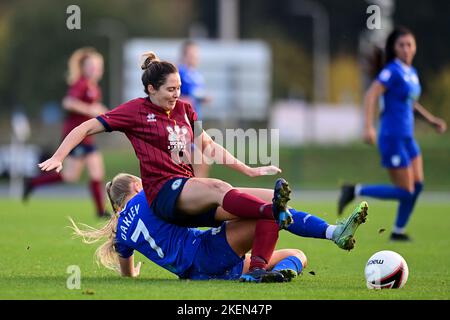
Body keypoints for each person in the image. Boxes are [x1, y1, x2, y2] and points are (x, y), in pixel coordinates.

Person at [38, 51, 365, 281]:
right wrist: (59, 156)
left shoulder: (184, 110)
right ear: (151, 89)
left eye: (179, 88)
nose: (176, 95)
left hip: (188, 195)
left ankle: (333, 232)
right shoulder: (134, 112)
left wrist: (248, 168)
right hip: (165, 194)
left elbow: (207, 146)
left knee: (265, 200)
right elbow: (84, 127)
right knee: (220, 189)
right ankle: (267, 235)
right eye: (170, 89)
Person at [69, 173, 369, 282]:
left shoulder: (121, 231)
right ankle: (329, 233)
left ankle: (268, 270)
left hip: (198, 273)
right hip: (205, 251)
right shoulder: (151, 195)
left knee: (297, 255)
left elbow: (126, 268)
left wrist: (132, 274)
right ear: (137, 184)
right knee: (270, 214)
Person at [338, 27, 447, 241]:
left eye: (409, 44)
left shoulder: (411, 73)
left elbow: (411, 103)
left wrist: (432, 120)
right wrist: (368, 126)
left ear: (415, 47)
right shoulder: (392, 70)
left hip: (407, 138)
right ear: (394, 49)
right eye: (401, 45)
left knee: (418, 186)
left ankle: (398, 231)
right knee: (405, 190)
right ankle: (354, 190)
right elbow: (371, 95)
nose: (406, 49)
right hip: (391, 136)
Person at [24, 47, 109, 218]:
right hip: (75, 137)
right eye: (91, 65)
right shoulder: (81, 83)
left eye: (98, 66)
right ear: (83, 68)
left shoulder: (94, 87)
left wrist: (99, 110)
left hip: (87, 138)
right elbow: (69, 102)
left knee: (97, 172)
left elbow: (90, 109)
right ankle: (33, 182)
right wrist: (91, 109)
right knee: (70, 176)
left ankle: (100, 211)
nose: (95, 69)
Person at [178, 40, 212, 178]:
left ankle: (202, 189)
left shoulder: (197, 75)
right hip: (183, 123)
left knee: (205, 155)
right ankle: (194, 190)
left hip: (196, 122)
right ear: (184, 56)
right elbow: (174, 97)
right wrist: (186, 99)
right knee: (188, 159)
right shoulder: (179, 72)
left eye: (196, 55)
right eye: (192, 55)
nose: (195, 58)